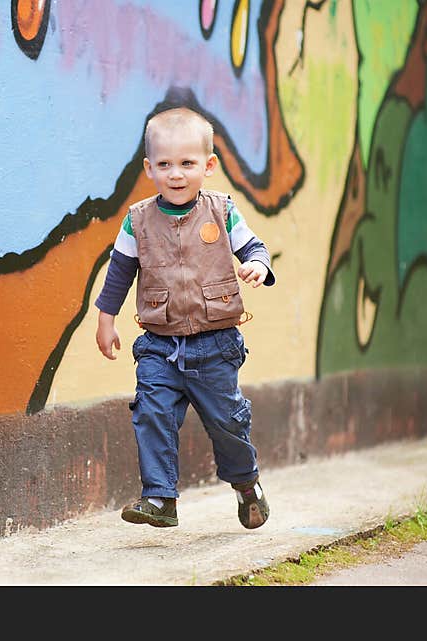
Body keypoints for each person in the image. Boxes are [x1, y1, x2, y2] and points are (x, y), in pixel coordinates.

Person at [94, 106, 275, 530]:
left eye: (187, 164)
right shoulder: (137, 221)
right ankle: (159, 498)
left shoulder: (222, 211)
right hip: (159, 344)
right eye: (165, 165)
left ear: (208, 166)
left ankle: (247, 485)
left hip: (215, 346)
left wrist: (258, 267)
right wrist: (106, 318)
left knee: (228, 423)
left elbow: (254, 248)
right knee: (152, 411)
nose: (176, 174)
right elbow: (119, 272)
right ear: (149, 168)